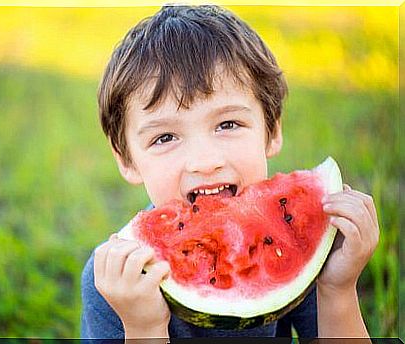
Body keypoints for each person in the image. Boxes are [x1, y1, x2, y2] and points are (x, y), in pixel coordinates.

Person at [81, 4, 379, 340]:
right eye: (165, 137)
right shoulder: (112, 282)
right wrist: (143, 326)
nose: (205, 161)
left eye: (228, 124)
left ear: (272, 130)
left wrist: (337, 289)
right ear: (127, 160)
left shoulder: (293, 239)